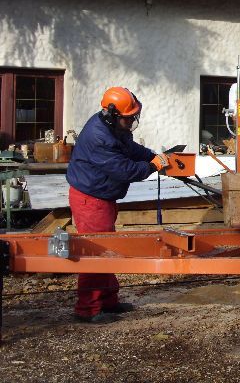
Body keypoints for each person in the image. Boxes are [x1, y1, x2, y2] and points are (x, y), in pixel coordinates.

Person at [66, 87, 169, 323]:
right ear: (113, 114)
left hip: (102, 197)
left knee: (106, 248)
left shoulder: (113, 127)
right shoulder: (99, 137)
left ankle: (108, 301)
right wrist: (153, 166)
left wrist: (152, 155)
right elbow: (124, 170)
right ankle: (88, 309)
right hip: (90, 199)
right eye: (129, 117)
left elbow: (131, 149)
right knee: (95, 253)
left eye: (134, 116)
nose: (132, 120)